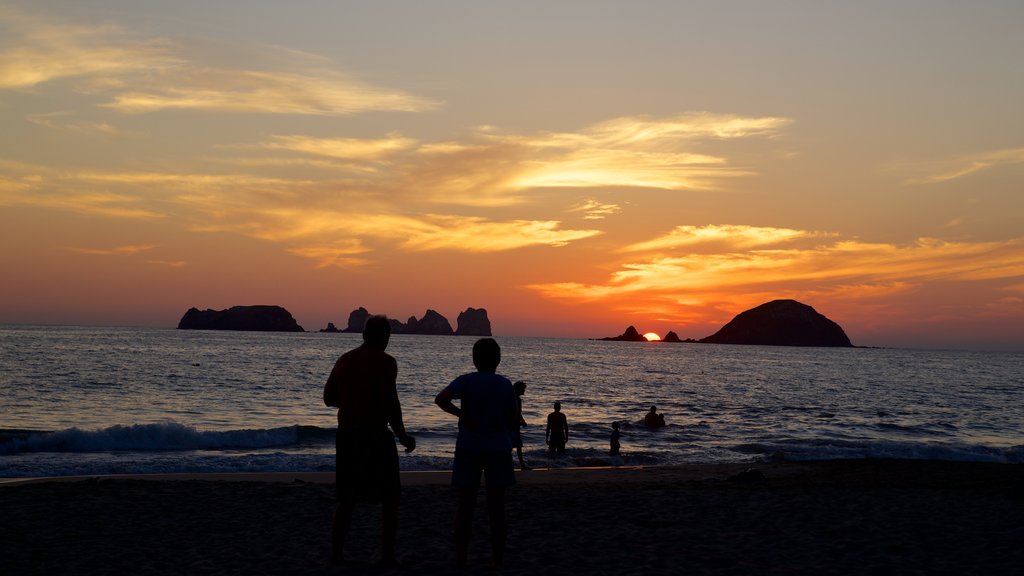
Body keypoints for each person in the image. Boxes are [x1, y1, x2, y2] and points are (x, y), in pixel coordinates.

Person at [322, 315, 416, 566]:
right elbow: (391, 403)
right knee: (390, 498)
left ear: (364, 335)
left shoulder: (344, 360)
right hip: (375, 435)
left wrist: (353, 400)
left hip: (347, 435)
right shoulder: (386, 363)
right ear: (386, 337)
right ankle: (387, 555)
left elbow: (329, 398)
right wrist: (403, 435)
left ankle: (336, 554)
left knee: (346, 499)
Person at [435, 338, 519, 567]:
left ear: (474, 359)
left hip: (468, 446)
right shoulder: (504, 385)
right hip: (498, 447)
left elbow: (441, 399)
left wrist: (461, 415)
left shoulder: (466, 381)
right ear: (498, 360)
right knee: (497, 506)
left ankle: (462, 557)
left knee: (465, 504)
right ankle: (498, 559)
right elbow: (513, 418)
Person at [512, 381, 530, 470]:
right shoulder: (516, 399)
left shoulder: (512, 398)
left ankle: (519, 465)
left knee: (513, 446)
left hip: (513, 425)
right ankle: (522, 465)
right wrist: (522, 421)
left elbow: (518, 413)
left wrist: (522, 421)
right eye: (523, 389)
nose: (524, 391)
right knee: (517, 446)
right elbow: (517, 412)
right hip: (513, 426)